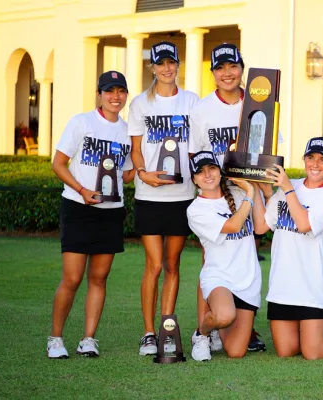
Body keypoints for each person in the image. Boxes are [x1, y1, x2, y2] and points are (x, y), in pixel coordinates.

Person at [252, 137, 323, 359]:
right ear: (304, 159)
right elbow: (262, 225)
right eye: (310, 157)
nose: (315, 164)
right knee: (286, 351)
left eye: (322, 159)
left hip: (311, 284)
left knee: (313, 353)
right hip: (282, 284)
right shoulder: (291, 185)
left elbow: (305, 224)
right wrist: (253, 190)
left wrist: (286, 189)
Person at [47, 71, 133, 358]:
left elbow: (126, 174)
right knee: (72, 278)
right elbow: (58, 164)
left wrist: (147, 172)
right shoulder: (81, 122)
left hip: (110, 211)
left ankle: (88, 339)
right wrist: (82, 189)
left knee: (99, 278)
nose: (115, 96)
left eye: (121, 91)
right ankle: (56, 338)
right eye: (110, 91)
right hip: (78, 207)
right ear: (99, 94)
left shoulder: (126, 131)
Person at [188, 43, 266, 353]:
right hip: (217, 188)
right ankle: (205, 331)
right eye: (220, 68)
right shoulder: (203, 109)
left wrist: (254, 186)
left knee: (248, 251)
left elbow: (268, 148)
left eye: (232, 67)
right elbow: (195, 153)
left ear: (241, 68)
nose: (227, 73)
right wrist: (210, 186)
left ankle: (243, 324)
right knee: (212, 257)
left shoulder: (258, 104)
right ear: (213, 74)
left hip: (248, 187)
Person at [128, 41, 199, 356]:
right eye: (161, 63)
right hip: (149, 195)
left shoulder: (192, 102)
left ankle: (167, 326)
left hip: (182, 196)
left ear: (178, 65)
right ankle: (148, 332)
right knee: (154, 265)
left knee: (172, 264)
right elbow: (135, 149)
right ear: (152, 67)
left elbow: (198, 148)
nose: (167, 68)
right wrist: (143, 173)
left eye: (172, 62)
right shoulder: (140, 104)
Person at [187, 151, 262, 361]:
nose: (207, 175)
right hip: (219, 277)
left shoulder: (238, 194)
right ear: (194, 179)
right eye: (200, 172)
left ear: (220, 172)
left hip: (247, 279)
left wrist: (258, 188)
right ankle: (202, 334)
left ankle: (219, 331)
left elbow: (262, 226)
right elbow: (233, 225)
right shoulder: (196, 210)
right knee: (224, 315)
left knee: (236, 352)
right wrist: (250, 193)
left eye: (211, 168)